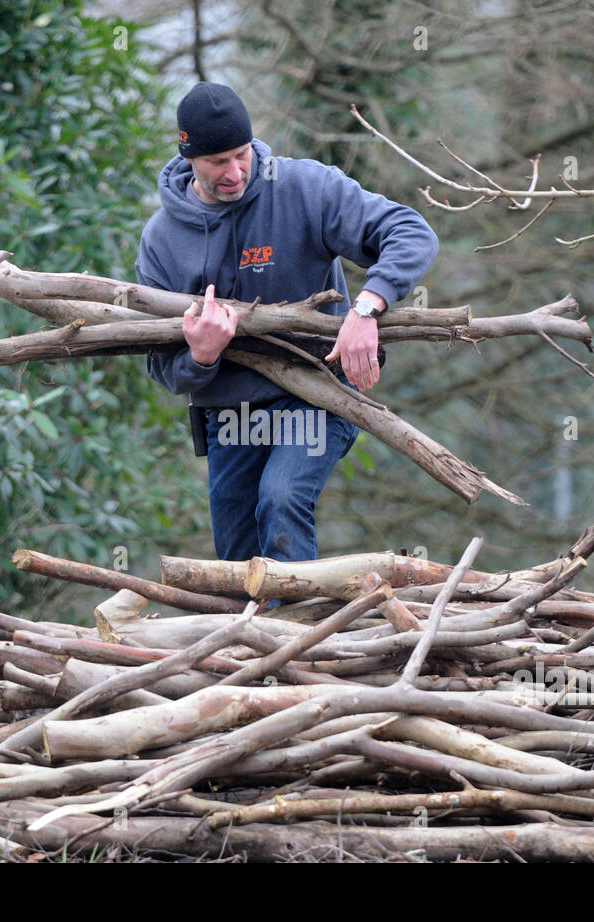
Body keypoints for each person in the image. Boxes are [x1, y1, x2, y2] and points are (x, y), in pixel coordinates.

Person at [136, 81, 438, 563]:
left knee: (281, 498)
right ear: (189, 156)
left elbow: (410, 231)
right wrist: (201, 356)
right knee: (236, 559)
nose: (235, 172)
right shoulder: (161, 240)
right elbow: (160, 366)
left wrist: (366, 309)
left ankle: (298, 635)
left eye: (242, 155)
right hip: (231, 415)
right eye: (218, 162)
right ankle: (246, 635)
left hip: (317, 393)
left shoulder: (304, 188)